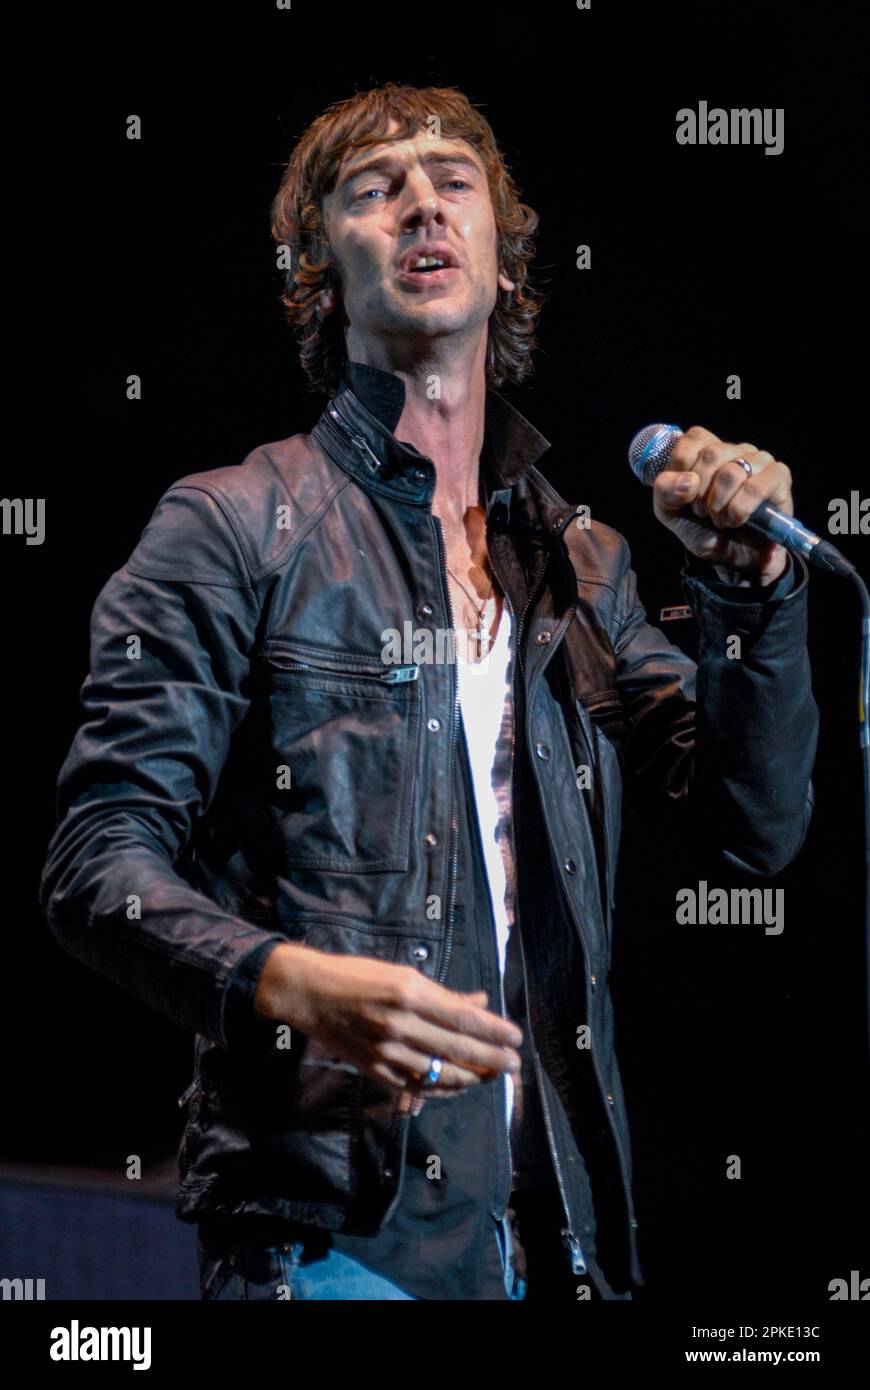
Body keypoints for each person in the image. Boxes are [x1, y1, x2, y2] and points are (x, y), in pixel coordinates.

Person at [39, 81, 818, 1301]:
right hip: (338, 1231)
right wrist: (284, 983)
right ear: (319, 272)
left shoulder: (576, 558)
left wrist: (750, 589)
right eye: (373, 187)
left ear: (505, 262)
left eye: (453, 180)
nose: (420, 202)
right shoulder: (234, 524)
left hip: (562, 1236)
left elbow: (756, 823)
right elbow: (97, 865)